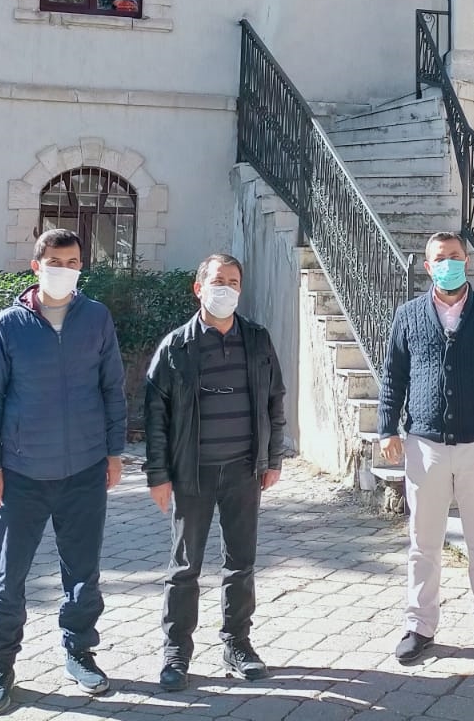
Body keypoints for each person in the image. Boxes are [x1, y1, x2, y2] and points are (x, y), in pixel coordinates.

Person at [0, 229, 127, 715]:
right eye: (55, 261)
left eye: (73, 261)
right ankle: (0, 666)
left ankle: (80, 652)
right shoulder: (9, 324)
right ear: (36, 265)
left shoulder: (96, 318)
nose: (65, 269)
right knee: (7, 577)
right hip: (21, 474)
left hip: (84, 470)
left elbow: (113, 388)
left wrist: (114, 453)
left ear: (82, 267)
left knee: (83, 574)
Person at [377, 231, 474, 667]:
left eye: (455, 256)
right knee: (423, 542)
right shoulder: (408, 315)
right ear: (428, 267)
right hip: (425, 446)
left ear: (467, 261)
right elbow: (393, 376)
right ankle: (419, 626)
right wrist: (386, 428)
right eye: (440, 258)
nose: (449, 263)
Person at [144, 254, 286, 692]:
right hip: (193, 474)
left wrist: (273, 459)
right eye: (218, 280)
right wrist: (158, 474)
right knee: (185, 567)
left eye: (233, 282)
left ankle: (237, 645)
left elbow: (275, 401)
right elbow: (155, 416)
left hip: (244, 471)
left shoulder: (257, 340)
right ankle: (176, 654)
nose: (226, 288)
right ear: (199, 288)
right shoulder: (176, 347)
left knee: (241, 564)